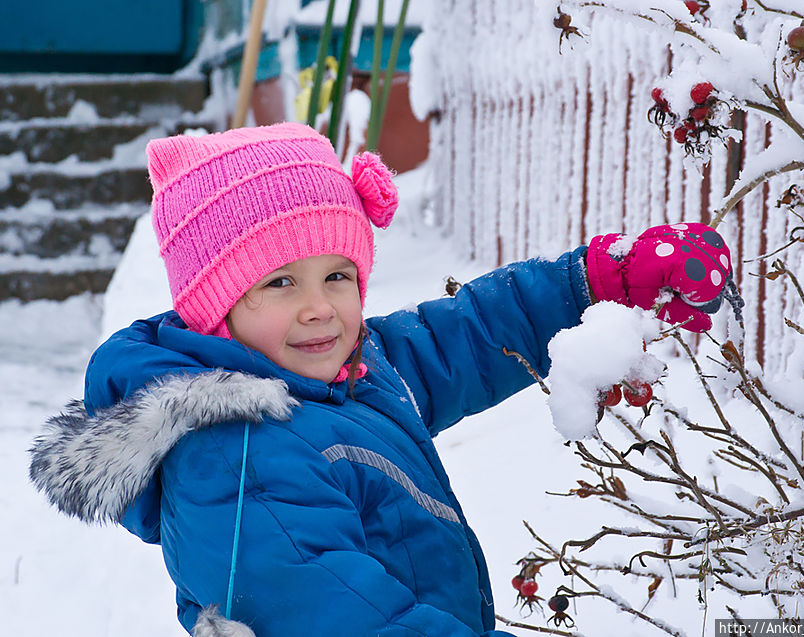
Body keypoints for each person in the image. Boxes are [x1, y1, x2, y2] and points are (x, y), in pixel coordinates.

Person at [29, 123, 732, 637]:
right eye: (279, 281)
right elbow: (346, 620)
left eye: (338, 275)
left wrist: (600, 276)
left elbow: (471, 332)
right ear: (216, 311)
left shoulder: (342, 372)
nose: (319, 306)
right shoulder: (234, 462)